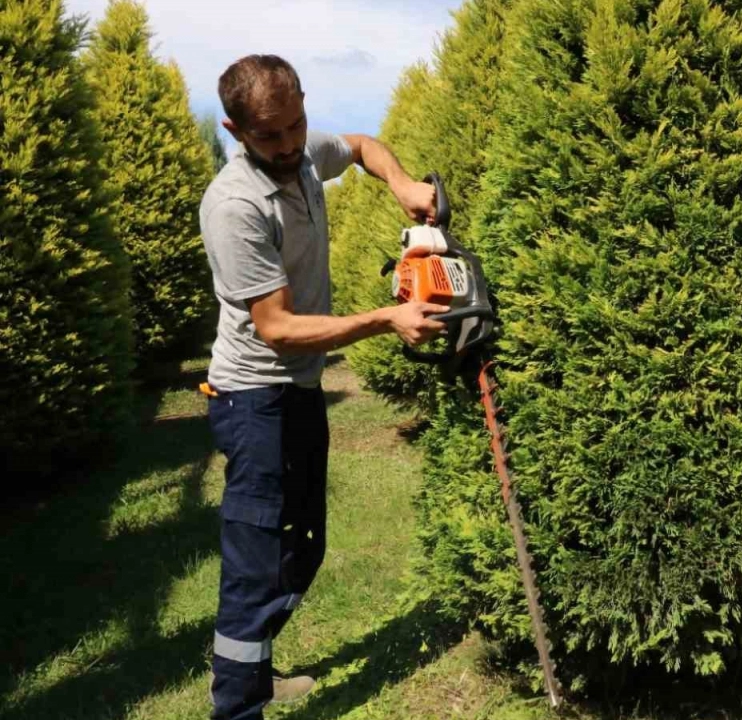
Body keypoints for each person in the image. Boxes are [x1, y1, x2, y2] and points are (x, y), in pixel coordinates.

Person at [198, 54, 447, 720]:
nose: (287, 146)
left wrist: (400, 183)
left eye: (296, 126)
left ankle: (250, 664)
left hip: (299, 392)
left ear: (303, 105)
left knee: (303, 545)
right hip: (253, 398)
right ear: (235, 130)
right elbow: (277, 328)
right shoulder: (235, 205)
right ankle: (237, 704)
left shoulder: (304, 155)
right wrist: (386, 319)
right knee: (257, 559)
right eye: (269, 136)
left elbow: (362, 146)